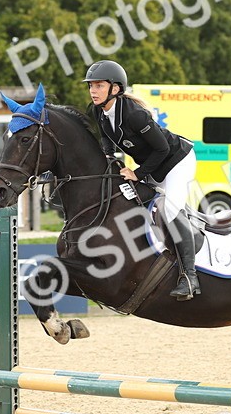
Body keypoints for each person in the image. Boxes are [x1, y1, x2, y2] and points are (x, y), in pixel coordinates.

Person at [83, 60, 201, 300]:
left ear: (115, 88)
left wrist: (137, 174)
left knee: (169, 210)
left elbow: (162, 148)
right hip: (155, 166)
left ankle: (189, 277)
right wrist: (109, 158)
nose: (93, 91)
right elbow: (106, 139)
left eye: (99, 85)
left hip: (177, 161)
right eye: (91, 86)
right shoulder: (98, 111)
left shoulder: (134, 115)